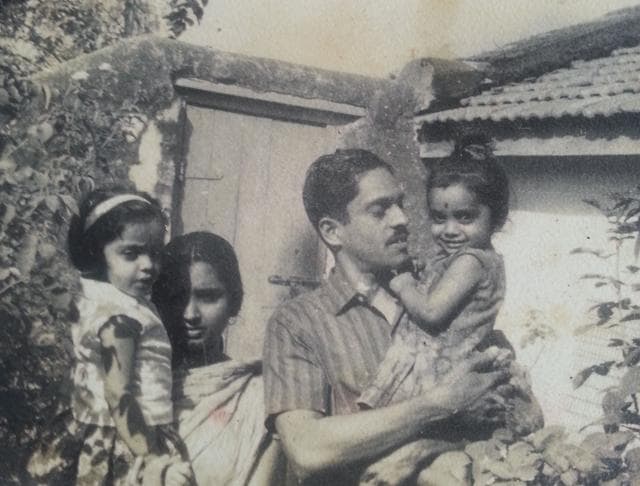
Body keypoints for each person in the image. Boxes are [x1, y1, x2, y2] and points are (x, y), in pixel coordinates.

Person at [263, 148, 510, 485]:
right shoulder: (298, 323)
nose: (402, 220)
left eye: (401, 205)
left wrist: (419, 451)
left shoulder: (442, 293)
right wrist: (438, 404)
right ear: (332, 231)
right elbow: (307, 450)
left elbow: (507, 413)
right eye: (380, 210)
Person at [26, 187, 193, 485]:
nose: (148, 265)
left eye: (155, 253)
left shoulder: (98, 299)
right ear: (98, 253)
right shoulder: (120, 316)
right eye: (131, 253)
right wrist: (153, 458)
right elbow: (118, 393)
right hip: (128, 437)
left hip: (98, 424)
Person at [153, 231, 283, 486]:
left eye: (208, 297)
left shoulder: (259, 395)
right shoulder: (132, 388)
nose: (190, 314)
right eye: (176, 298)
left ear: (234, 303)